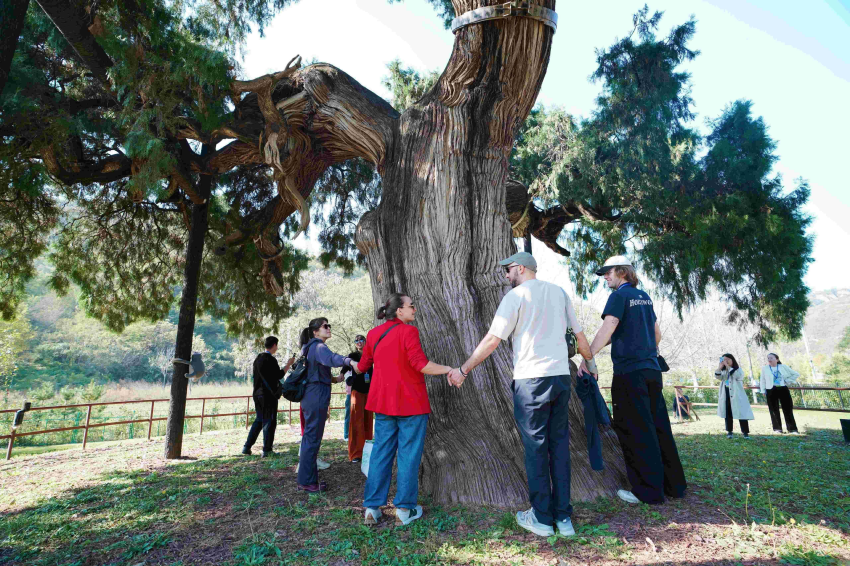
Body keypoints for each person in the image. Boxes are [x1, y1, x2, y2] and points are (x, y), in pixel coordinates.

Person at [448, 251, 596, 538]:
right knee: (559, 446)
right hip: (560, 379)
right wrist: (591, 365)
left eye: (508, 270)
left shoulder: (515, 298)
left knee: (536, 448)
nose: (506, 276)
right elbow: (579, 336)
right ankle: (564, 519)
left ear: (521, 269)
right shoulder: (559, 293)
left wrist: (464, 370)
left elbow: (493, 339)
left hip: (531, 381)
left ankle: (541, 518)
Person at [580, 255, 687, 505]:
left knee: (635, 430)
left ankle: (647, 492)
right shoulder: (644, 297)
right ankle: (674, 486)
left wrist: (588, 357)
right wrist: (644, 349)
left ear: (623, 272)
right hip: (651, 371)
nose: (605, 277)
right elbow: (656, 333)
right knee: (659, 426)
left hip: (629, 373)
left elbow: (610, 326)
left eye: (608, 272)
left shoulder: (619, 296)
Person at [354, 293, 453, 527]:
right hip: (411, 403)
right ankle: (404, 510)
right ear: (399, 311)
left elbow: (361, 366)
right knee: (408, 456)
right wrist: (450, 368)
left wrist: (350, 365)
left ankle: (371, 507)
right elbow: (421, 365)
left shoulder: (373, 334)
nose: (414, 309)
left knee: (381, 453)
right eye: (411, 306)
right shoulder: (409, 332)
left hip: (383, 404)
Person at [297, 318, 351, 492]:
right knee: (312, 439)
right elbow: (332, 359)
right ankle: (307, 482)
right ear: (315, 332)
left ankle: (308, 479)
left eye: (329, 326)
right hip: (316, 396)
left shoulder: (309, 347)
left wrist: (335, 379)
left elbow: (317, 372)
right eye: (325, 326)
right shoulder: (319, 347)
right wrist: (349, 361)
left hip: (312, 396)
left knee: (310, 438)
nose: (328, 329)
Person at [242, 336, 295, 457]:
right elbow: (279, 375)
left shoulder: (258, 359)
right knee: (270, 421)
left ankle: (247, 447)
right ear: (275, 345)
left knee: (259, 420)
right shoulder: (270, 360)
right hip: (268, 395)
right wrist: (288, 364)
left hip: (257, 394)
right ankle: (267, 449)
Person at [345, 335, 373, 462]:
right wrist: (339, 378)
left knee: (368, 421)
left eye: (361, 340)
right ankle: (356, 454)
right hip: (357, 391)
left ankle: (367, 451)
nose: (359, 342)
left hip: (370, 391)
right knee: (356, 422)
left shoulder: (371, 354)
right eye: (356, 340)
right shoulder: (352, 356)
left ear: (365, 342)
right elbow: (344, 370)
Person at [715, 353, 754, 438]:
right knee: (727, 412)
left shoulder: (738, 369)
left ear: (732, 360)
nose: (725, 361)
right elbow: (718, 377)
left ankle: (745, 432)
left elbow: (737, 376)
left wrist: (728, 367)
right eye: (723, 359)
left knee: (741, 412)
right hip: (726, 392)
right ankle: (729, 431)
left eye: (727, 359)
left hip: (737, 393)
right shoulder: (724, 371)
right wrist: (720, 367)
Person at [759, 353, 800, 434]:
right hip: (771, 390)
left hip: (783, 389)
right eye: (768, 358)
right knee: (773, 410)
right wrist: (763, 390)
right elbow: (762, 380)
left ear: (777, 359)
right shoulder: (765, 368)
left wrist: (787, 381)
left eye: (771, 358)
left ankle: (792, 429)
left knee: (787, 409)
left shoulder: (783, 367)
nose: (769, 359)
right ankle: (777, 429)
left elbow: (796, 374)